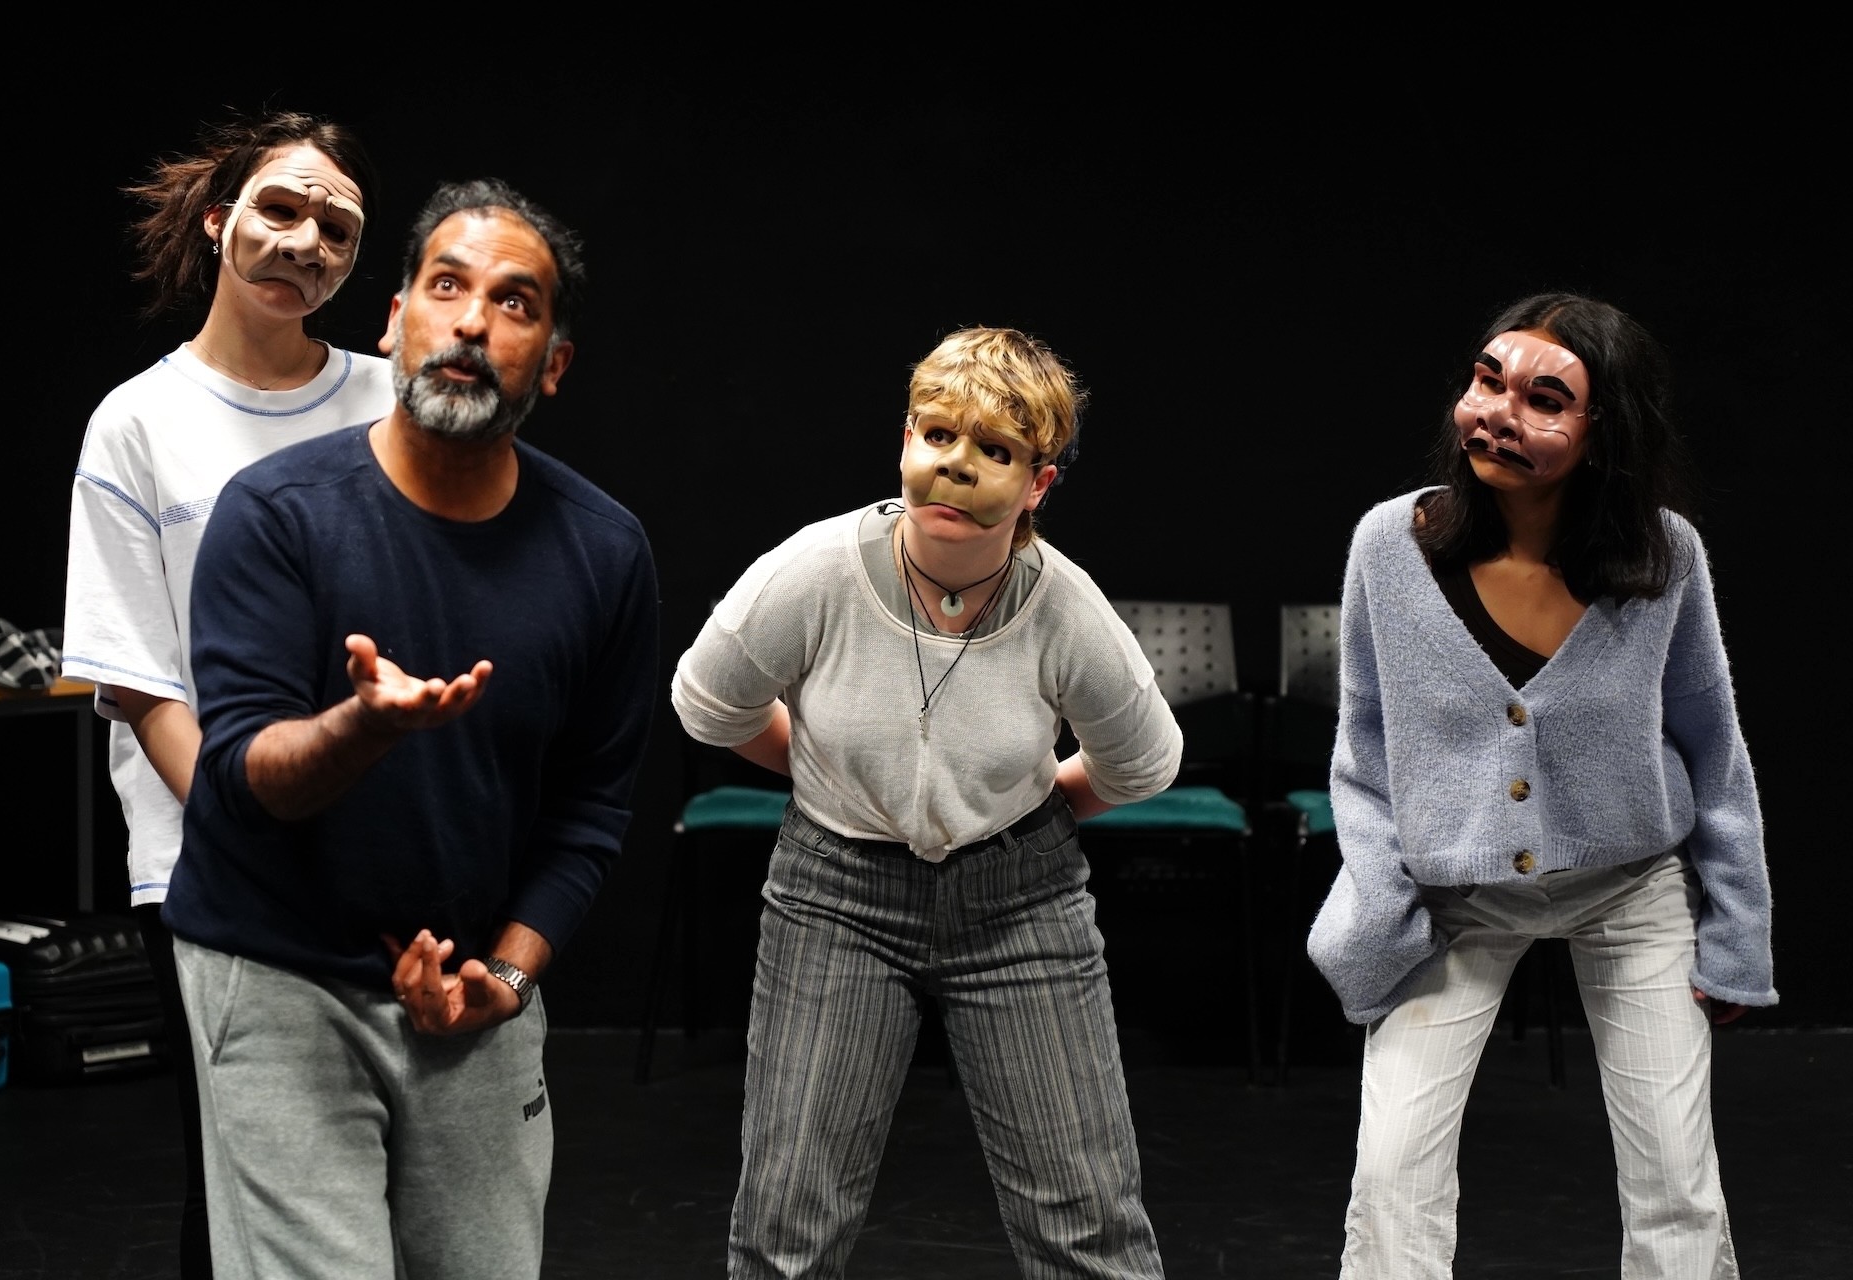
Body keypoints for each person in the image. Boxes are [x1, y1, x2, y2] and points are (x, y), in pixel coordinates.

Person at [159, 177, 660, 1280]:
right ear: (394, 321)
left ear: (554, 364)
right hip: (277, 970)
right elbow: (239, 782)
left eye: (515, 303)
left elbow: (590, 810)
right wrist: (361, 727)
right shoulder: (276, 513)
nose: (473, 322)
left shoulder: (604, 551)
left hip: (473, 984)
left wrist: (507, 978)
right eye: (446, 287)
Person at [672, 326, 1180, 1278]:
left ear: (1038, 484)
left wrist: (1035, 813)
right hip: (835, 899)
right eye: (939, 435)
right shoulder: (818, 570)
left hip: (1022, 906)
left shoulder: (1065, 608)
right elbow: (709, 704)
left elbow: (1143, 762)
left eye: (996, 450)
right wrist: (829, 775)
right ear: (905, 440)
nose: (957, 466)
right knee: (786, 1230)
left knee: (1089, 1232)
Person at [1307, 292, 1776, 1277]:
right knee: (1390, 1176)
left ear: (1605, 431)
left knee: (1677, 1180)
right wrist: (1386, 902)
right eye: (1487, 380)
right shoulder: (1390, 545)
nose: (1497, 412)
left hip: (1632, 887)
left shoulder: (1664, 555)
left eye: (1543, 399)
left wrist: (1738, 929)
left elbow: (1713, 745)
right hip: (1452, 895)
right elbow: (1364, 747)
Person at [60, 110, 388, 1279]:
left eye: (337, 230)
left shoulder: (391, 401)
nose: (306, 242)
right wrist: (253, 824)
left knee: (372, 1168)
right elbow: (141, 678)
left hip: (382, 850)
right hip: (210, 860)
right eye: (281, 209)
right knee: (243, 1171)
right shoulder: (136, 424)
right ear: (218, 219)